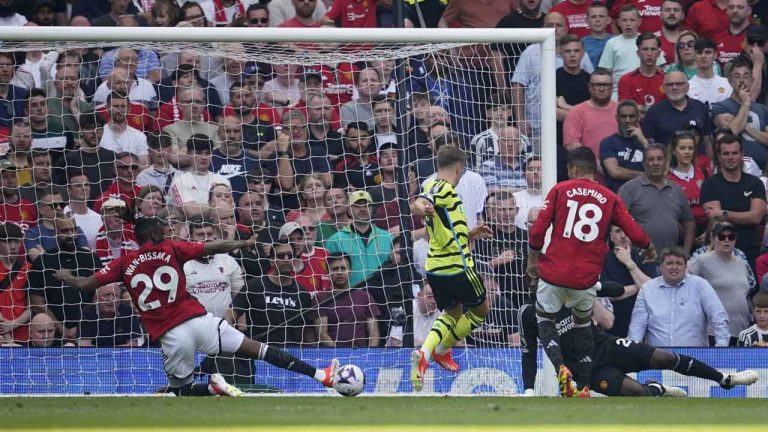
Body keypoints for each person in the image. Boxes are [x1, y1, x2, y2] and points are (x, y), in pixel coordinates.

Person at [55, 215, 340, 397]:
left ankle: (212, 388)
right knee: (259, 349)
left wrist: (65, 275)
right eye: (163, 229)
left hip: (171, 334)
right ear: (155, 236)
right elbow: (212, 248)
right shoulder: (172, 249)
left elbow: (85, 286)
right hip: (199, 321)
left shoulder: (123, 262)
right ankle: (321, 375)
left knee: (182, 391)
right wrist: (242, 243)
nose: (167, 232)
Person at [527, 146, 654, 397]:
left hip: (554, 271)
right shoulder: (610, 197)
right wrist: (648, 246)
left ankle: (561, 367)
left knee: (545, 319)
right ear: (593, 170)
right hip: (585, 278)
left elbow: (539, 229)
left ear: (573, 169)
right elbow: (632, 228)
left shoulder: (560, 190)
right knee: (583, 325)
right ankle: (583, 386)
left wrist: (533, 260)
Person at [519, 291, 759, 397]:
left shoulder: (567, 294)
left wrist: (589, 294)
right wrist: (529, 390)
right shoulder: (528, 313)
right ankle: (656, 390)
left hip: (606, 345)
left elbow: (608, 316)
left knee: (663, 358)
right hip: (587, 370)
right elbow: (529, 353)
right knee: (636, 392)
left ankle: (724, 380)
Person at [409, 146, 494, 391]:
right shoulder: (442, 188)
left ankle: (426, 353)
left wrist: (470, 232)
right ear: (459, 168)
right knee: (480, 310)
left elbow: (440, 220)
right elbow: (420, 203)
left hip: (435, 267)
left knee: (451, 313)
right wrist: (421, 207)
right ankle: (443, 349)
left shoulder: (433, 186)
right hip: (457, 265)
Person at [629, 246, 731, 348]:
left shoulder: (700, 285)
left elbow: (718, 316)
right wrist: (633, 350)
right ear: (660, 266)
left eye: (679, 263)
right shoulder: (647, 289)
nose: (674, 267)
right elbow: (637, 325)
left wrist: (721, 346)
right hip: (657, 359)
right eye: (669, 263)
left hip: (695, 359)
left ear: (686, 267)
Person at [700, 134, 766, 269]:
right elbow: (716, 220)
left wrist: (723, 212)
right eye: (726, 153)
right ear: (719, 156)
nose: (730, 157)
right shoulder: (710, 184)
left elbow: (756, 217)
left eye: (735, 153)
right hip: (719, 254)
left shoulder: (755, 183)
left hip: (750, 251)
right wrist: (743, 215)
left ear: (742, 154)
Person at [618, 143, 695, 253]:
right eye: (651, 159)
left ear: (665, 162)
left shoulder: (677, 189)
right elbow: (616, 223)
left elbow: (689, 222)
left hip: (670, 262)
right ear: (644, 163)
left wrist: (685, 253)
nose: (655, 163)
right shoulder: (630, 189)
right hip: (640, 260)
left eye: (660, 159)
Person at [687, 222, 753, 345]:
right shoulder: (701, 260)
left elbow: (747, 293)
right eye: (722, 237)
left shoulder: (742, 263)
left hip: (741, 330)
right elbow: (683, 282)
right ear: (712, 238)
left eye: (731, 237)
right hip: (712, 331)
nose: (726, 240)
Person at [712, 57, 768, 170]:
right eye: (737, 76)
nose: (742, 80)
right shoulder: (720, 106)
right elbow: (734, 130)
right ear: (730, 81)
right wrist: (746, 103)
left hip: (763, 170)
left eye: (746, 76)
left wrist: (747, 128)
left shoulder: (762, 109)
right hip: (734, 168)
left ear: (752, 80)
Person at [316, 252, 381, 347]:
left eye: (343, 268)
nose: (339, 272)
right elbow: (322, 335)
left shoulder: (365, 297)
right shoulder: (320, 298)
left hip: (361, 356)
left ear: (350, 271)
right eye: (334, 269)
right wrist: (339, 355)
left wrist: (369, 356)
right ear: (328, 272)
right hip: (331, 357)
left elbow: (374, 334)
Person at [599, 100, 648, 192]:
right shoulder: (608, 142)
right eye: (623, 116)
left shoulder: (646, 143)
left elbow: (656, 165)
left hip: (643, 194)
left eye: (632, 116)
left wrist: (644, 142)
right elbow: (615, 172)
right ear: (616, 118)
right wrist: (646, 176)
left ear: (638, 118)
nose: (627, 120)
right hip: (618, 193)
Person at [78, 283, 144, 347]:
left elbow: (133, 345)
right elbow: (84, 346)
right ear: (96, 298)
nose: (111, 300)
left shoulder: (127, 310)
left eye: (116, 296)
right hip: (94, 356)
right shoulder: (87, 312)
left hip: (122, 356)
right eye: (107, 295)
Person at [0, 223, 30, 345]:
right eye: (8, 242)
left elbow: (33, 305)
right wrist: (7, 337)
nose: (13, 247)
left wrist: (12, 324)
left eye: (16, 242)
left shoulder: (29, 268)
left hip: (24, 335)